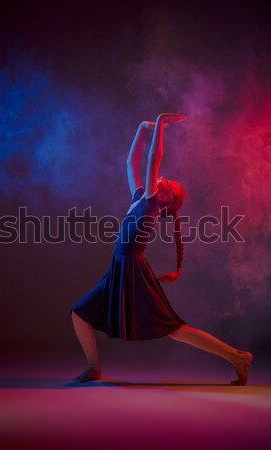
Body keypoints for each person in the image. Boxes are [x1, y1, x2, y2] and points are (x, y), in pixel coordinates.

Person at [70, 113, 253, 385]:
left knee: (174, 329)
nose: (164, 178)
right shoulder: (139, 198)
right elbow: (130, 163)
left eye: (168, 183)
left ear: (164, 195)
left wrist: (161, 122)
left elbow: (153, 159)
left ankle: (238, 357)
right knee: (79, 313)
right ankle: (94, 367)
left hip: (133, 271)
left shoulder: (151, 204)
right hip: (120, 269)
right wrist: (141, 127)